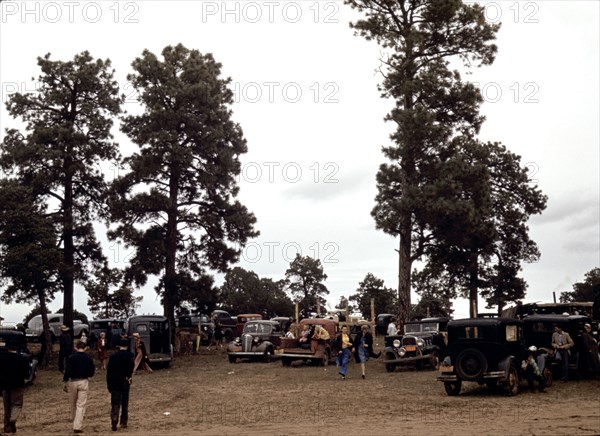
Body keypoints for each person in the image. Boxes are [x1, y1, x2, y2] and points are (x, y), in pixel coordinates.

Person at [63, 340, 95, 434]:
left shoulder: (71, 357)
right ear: (85, 348)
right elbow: (91, 372)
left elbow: (67, 370)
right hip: (83, 381)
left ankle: (75, 421)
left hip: (73, 381)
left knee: (73, 403)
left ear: (76, 347)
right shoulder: (88, 358)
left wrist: (65, 381)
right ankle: (77, 425)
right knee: (81, 404)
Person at [0, 339, 29, 434]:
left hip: (4, 385)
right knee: (17, 405)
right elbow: (26, 374)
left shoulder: (1, 358)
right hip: (17, 385)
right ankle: (12, 420)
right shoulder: (21, 358)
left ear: (8, 348)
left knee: (7, 407)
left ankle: (7, 426)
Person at [107, 338, 135, 431]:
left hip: (114, 382)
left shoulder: (113, 357)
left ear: (118, 346)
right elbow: (131, 367)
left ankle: (114, 419)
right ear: (127, 346)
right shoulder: (130, 355)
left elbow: (109, 372)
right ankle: (124, 421)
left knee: (115, 402)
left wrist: (109, 384)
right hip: (125, 381)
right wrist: (129, 375)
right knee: (124, 402)